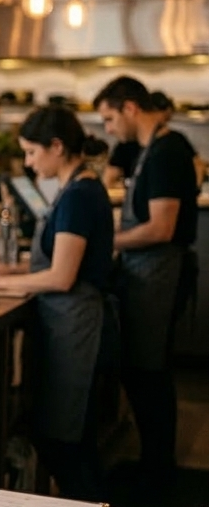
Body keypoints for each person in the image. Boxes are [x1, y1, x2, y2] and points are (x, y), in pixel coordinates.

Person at [0, 107, 115, 500]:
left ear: (57, 146)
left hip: (75, 324)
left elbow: (62, 276)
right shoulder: (76, 188)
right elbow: (58, 260)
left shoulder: (80, 195)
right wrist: (14, 269)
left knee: (65, 441)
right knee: (66, 436)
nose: (29, 164)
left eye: (32, 153)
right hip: (66, 321)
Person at [95, 76, 198, 475]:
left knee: (150, 372)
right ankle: (155, 460)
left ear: (130, 108)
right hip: (148, 273)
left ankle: (159, 467)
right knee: (142, 370)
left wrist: (109, 240)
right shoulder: (152, 149)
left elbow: (160, 228)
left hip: (161, 273)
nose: (108, 129)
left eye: (108, 119)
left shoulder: (166, 152)